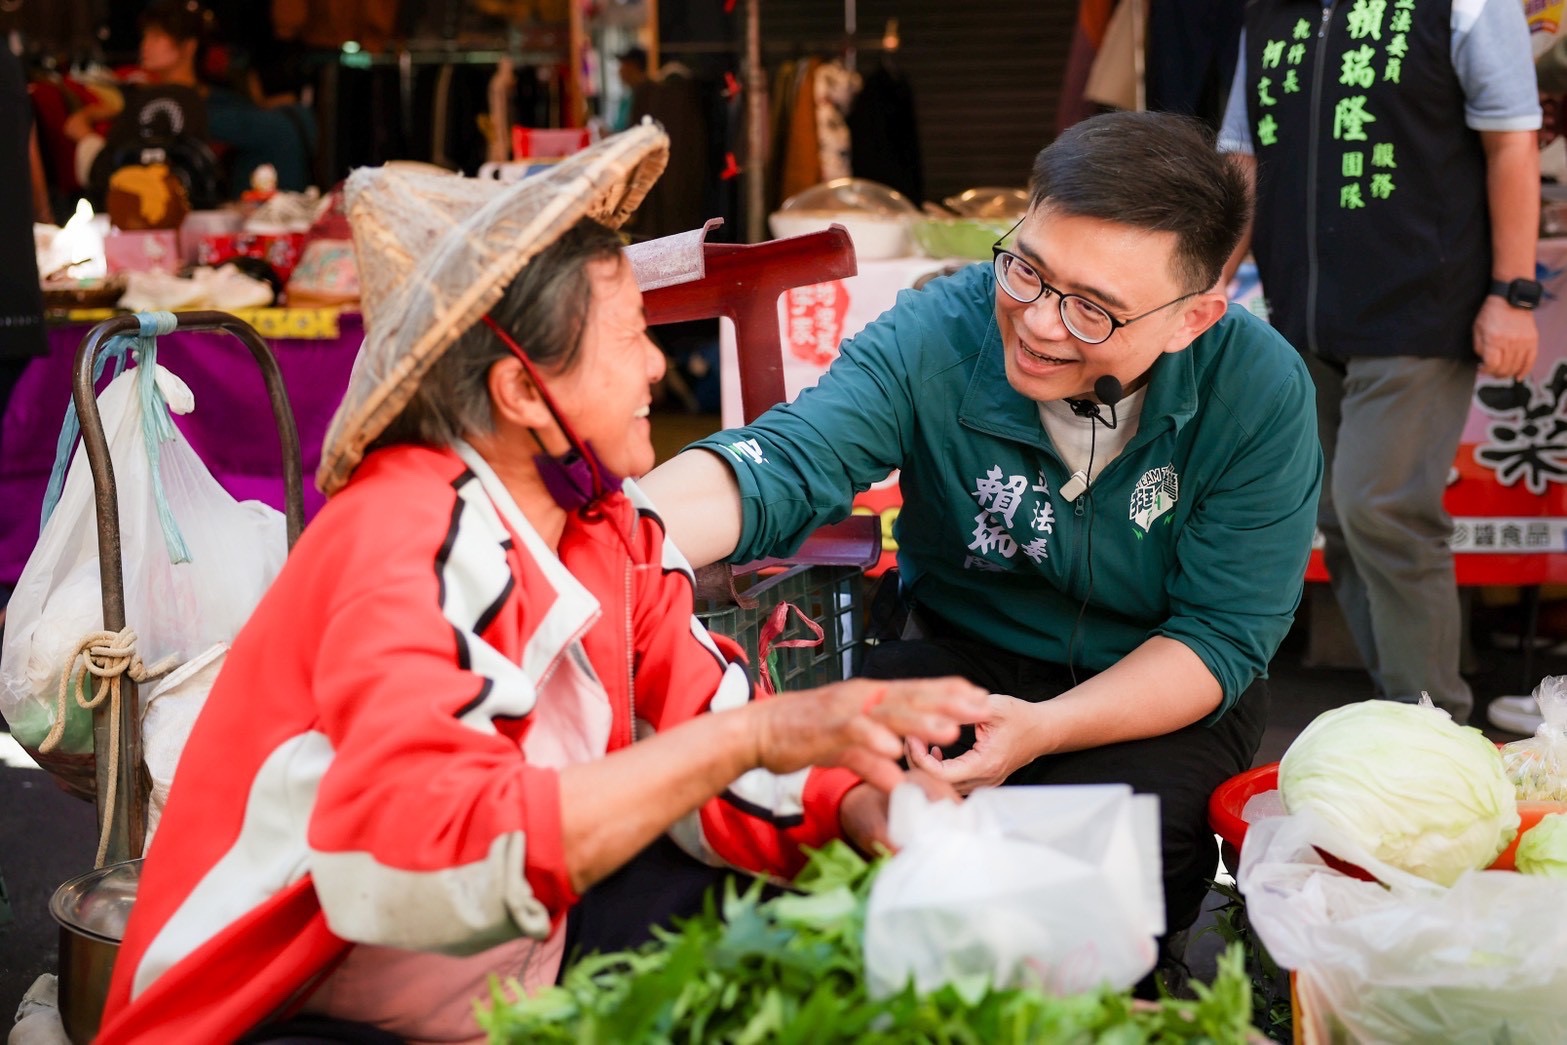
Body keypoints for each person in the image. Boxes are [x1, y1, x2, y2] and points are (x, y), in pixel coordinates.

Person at [95, 125, 984, 1044]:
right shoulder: (398, 536)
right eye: (631, 333)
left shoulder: (612, 527)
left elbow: (709, 732)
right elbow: (421, 860)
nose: (654, 365)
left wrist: (860, 803)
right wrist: (759, 731)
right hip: (291, 1007)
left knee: (761, 920)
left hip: (500, 978)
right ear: (522, 393)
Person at [640, 110, 1323, 949]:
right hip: (961, 656)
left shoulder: (1257, 389)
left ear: (1192, 317)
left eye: (1093, 311)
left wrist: (1044, 727)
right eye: (1027, 271)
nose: (1037, 322)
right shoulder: (942, 326)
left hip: (1155, 686)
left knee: (1122, 873)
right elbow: (783, 462)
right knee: (828, 815)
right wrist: (607, 536)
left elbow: (1221, 633)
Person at [1217, 0, 1541, 725]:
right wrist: (1206, 284)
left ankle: (1432, 721)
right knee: (1335, 514)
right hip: (1301, 311)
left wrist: (1511, 295)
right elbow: (1240, 155)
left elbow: (1511, 144)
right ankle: (1401, 713)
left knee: (1381, 506)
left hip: (1421, 306)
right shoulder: (1268, 13)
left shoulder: (1464, 5)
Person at [72, 0, 316, 199]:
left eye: (156, 38)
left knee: (290, 122)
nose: (145, 46)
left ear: (188, 47)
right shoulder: (145, 96)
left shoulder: (212, 101)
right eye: (145, 37)